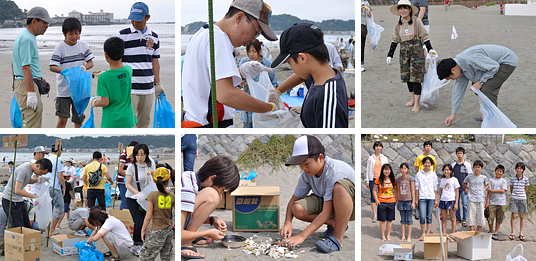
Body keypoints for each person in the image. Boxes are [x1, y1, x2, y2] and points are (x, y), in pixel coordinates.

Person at [182, 0, 278, 128]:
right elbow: (226, 95)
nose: (253, 39)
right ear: (239, 18)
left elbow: (206, 81)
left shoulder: (201, 34)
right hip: (211, 125)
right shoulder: (218, 38)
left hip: (195, 121)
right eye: (256, 32)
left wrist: (240, 72)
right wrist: (269, 108)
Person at [279, 135, 355, 253]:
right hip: (327, 203)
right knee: (297, 208)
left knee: (339, 187)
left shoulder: (334, 171)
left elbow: (326, 212)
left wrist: (301, 236)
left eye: (306, 163)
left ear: (320, 157)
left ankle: (337, 238)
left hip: (349, 207)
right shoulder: (307, 174)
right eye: (300, 164)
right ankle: (336, 224)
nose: (303, 168)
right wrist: (287, 223)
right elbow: (293, 200)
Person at [270, 23, 349, 128]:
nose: (292, 68)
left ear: (302, 58)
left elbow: (327, 140)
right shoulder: (321, 74)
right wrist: (277, 91)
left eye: (289, 63)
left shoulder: (328, 96)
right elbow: (299, 76)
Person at [437, 45, 518, 125]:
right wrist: (453, 114)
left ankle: (493, 119)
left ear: (453, 70)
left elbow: (494, 67)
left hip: (506, 61)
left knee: (487, 89)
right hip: (494, 63)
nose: (453, 79)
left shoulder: (469, 59)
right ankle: (487, 115)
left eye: (451, 78)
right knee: (478, 89)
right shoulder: (459, 68)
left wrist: (481, 82)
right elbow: (458, 91)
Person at [181, 156, 240, 259]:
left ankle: (190, 236)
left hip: (172, 222)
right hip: (163, 230)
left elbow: (185, 214)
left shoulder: (191, 178)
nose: (221, 192)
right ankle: (185, 242)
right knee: (212, 195)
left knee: (216, 196)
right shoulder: (187, 190)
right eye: (222, 189)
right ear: (212, 178)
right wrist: (208, 232)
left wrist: (212, 220)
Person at [117, 2, 163, 128]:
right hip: (128, 87)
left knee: (144, 122)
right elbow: (117, 61)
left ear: (147, 17)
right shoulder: (122, 35)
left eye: (138, 20)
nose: (135, 23)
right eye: (132, 19)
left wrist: (158, 84)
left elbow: (155, 62)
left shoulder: (154, 37)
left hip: (148, 87)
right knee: (128, 122)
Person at [386, 0, 437, 113]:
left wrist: (430, 49)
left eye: (405, 8)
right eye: (400, 8)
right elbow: (394, 41)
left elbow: (425, 37)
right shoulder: (398, 25)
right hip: (404, 52)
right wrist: (390, 55)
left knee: (416, 77)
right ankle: (413, 99)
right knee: (407, 77)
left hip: (416, 50)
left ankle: (418, 103)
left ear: (410, 9)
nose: (402, 10)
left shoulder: (416, 21)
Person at [12, 7, 56, 128]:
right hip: (27, 85)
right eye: (44, 22)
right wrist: (30, 92)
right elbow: (25, 67)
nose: (47, 26)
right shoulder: (27, 39)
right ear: (34, 21)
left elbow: (13, 63)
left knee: (28, 120)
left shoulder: (24, 36)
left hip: (23, 83)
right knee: (32, 123)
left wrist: (16, 85)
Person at [49, 17, 94, 128]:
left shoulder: (83, 45)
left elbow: (91, 63)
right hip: (64, 90)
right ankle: (57, 143)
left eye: (76, 33)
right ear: (64, 33)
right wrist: (65, 72)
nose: (74, 36)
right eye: (71, 34)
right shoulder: (60, 47)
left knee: (78, 119)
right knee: (62, 119)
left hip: (79, 90)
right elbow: (52, 66)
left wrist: (84, 67)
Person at [89, 37, 138, 128]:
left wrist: (94, 102)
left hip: (111, 121)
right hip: (128, 119)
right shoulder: (128, 70)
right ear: (123, 53)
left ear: (106, 55)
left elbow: (104, 102)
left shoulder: (103, 78)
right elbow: (117, 74)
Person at [1, 158, 52, 228]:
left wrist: (38, 180)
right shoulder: (23, 170)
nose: (40, 175)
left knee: (26, 225)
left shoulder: (30, 169)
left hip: (19, 200)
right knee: (18, 227)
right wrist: (34, 196)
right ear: (37, 165)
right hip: (10, 200)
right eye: (41, 173)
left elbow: (27, 180)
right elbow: (17, 190)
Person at [238, 39, 279, 127]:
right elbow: (238, 79)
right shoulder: (244, 62)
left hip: (264, 96)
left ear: (260, 51)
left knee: (264, 120)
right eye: (249, 52)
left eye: (254, 51)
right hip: (248, 95)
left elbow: (273, 81)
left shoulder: (267, 63)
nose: (251, 54)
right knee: (248, 121)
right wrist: (241, 82)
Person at [125, 144, 155, 252]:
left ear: (146, 154)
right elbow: (127, 184)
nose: (139, 157)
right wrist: (138, 193)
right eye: (137, 155)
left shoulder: (150, 164)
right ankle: (136, 245)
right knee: (139, 221)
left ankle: (143, 242)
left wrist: (153, 173)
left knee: (146, 222)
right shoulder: (131, 167)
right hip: (132, 197)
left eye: (142, 155)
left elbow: (155, 180)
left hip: (146, 197)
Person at [139, 167, 174, 261]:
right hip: (168, 230)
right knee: (166, 256)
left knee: (146, 257)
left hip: (156, 231)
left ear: (154, 180)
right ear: (168, 180)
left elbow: (148, 216)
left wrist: (143, 230)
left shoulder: (152, 196)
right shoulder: (172, 196)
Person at [414, 156, 438, 240]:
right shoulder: (419, 174)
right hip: (422, 197)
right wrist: (416, 199)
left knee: (429, 216)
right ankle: (423, 233)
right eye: (425, 163)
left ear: (431, 164)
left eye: (429, 163)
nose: (427, 164)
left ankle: (428, 233)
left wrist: (436, 199)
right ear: (423, 164)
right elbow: (417, 188)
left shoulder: (433, 174)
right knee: (423, 216)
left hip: (431, 197)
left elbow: (435, 188)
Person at [463, 160, 489, 232]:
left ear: (481, 168)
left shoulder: (484, 177)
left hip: (480, 199)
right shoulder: (469, 177)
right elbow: (464, 183)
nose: (477, 168)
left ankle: (479, 231)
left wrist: (483, 189)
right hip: (471, 199)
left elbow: (487, 184)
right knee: (471, 215)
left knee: (480, 216)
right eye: (476, 167)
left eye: (479, 167)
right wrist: (468, 188)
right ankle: (471, 231)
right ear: (473, 167)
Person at [46, 144, 67, 236]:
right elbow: (60, 176)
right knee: (60, 208)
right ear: (60, 150)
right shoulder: (59, 160)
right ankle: (52, 230)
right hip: (55, 187)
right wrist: (64, 187)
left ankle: (48, 230)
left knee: (49, 209)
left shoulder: (47, 158)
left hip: (46, 186)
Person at [365, 141, 388, 222]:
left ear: (381, 147)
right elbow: (368, 170)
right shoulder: (371, 158)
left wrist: (387, 179)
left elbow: (387, 170)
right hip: (373, 179)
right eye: (376, 146)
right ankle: (375, 215)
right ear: (374, 147)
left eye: (379, 146)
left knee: (382, 196)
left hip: (382, 179)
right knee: (373, 197)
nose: (378, 148)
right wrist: (367, 181)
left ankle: (381, 214)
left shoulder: (384, 158)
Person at [373, 164, 397, 242]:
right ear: (382, 171)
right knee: (382, 220)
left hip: (391, 202)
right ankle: (383, 235)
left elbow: (396, 190)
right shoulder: (378, 179)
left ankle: (388, 235)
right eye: (385, 170)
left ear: (390, 171)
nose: (387, 171)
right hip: (381, 202)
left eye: (388, 170)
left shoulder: (393, 179)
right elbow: (374, 190)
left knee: (390, 220)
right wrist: (376, 200)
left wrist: (396, 199)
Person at [451, 147, 472, 227]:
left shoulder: (467, 164)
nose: (459, 155)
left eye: (461, 153)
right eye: (458, 153)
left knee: (465, 204)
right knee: (457, 204)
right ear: (456, 154)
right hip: (456, 188)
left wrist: (467, 187)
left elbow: (469, 176)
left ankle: (465, 219)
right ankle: (458, 218)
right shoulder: (453, 165)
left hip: (464, 187)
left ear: (463, 154)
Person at [509, 162, 529, 241]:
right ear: (516, 169)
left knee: (522, 216)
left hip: (522, 199)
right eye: (518, 168)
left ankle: (521, 233)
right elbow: (511, 189)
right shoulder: (512, 178)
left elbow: (525, 189)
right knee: (513, 215)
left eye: (520, 168)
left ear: (523, 170)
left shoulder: (526, 179)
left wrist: (521, 195)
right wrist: (514, 195)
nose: (519, 170)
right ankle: (512, 232)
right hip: (514, 198)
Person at [486, 165, 507, 241]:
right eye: (498, 171)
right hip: (492, 202)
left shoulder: (503, 181)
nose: (499, 173)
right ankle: (491, 231)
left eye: (500, 171)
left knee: (499, 218)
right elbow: (489, 192)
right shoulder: (491, 180)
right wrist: (487, 201)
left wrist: (493, 191)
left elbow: (503, 190)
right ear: (495, 171)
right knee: (490, 218)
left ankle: (496, 232)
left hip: (501, 202)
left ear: (503, 173)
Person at [396, 162, 414, 242]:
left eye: (405, 168)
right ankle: (403, 236)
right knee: (402, 219)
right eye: (402, 168)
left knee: (409, 220)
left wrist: (413, 202)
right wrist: (397, 201)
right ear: (400, 170)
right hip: (401, 201)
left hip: (409, 201)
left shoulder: (411, 178)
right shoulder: (398, 179)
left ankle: (409, 236)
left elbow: (413, 191)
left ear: (408, 169)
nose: (403, 170)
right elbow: (397, 191)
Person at [439, 164, 459, 234]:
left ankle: (453, 233)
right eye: (445, 170)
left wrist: (456, 203)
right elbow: (442, 191)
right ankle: (444, 234)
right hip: (443, 200)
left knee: (452, 218)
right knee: (444, 219)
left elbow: (457, 191)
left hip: (451, 200)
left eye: (447, 170)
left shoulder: (454, 179)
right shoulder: (442, 180)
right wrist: (440, 200)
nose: (446, 171)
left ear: (451, 171)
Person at [118, 141, 138, 210]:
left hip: (130, 181)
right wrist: (128, 177)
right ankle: (123, 218)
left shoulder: (133, 154)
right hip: (123, 181)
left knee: (131, 200)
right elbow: (120, 169)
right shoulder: (124, 153)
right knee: (125, 200)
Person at [361, 1, 371, 72]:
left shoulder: (366, 2)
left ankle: (361, 64)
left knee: (362, 45)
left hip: (363, 25)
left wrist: (368, 9)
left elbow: (369, 15)